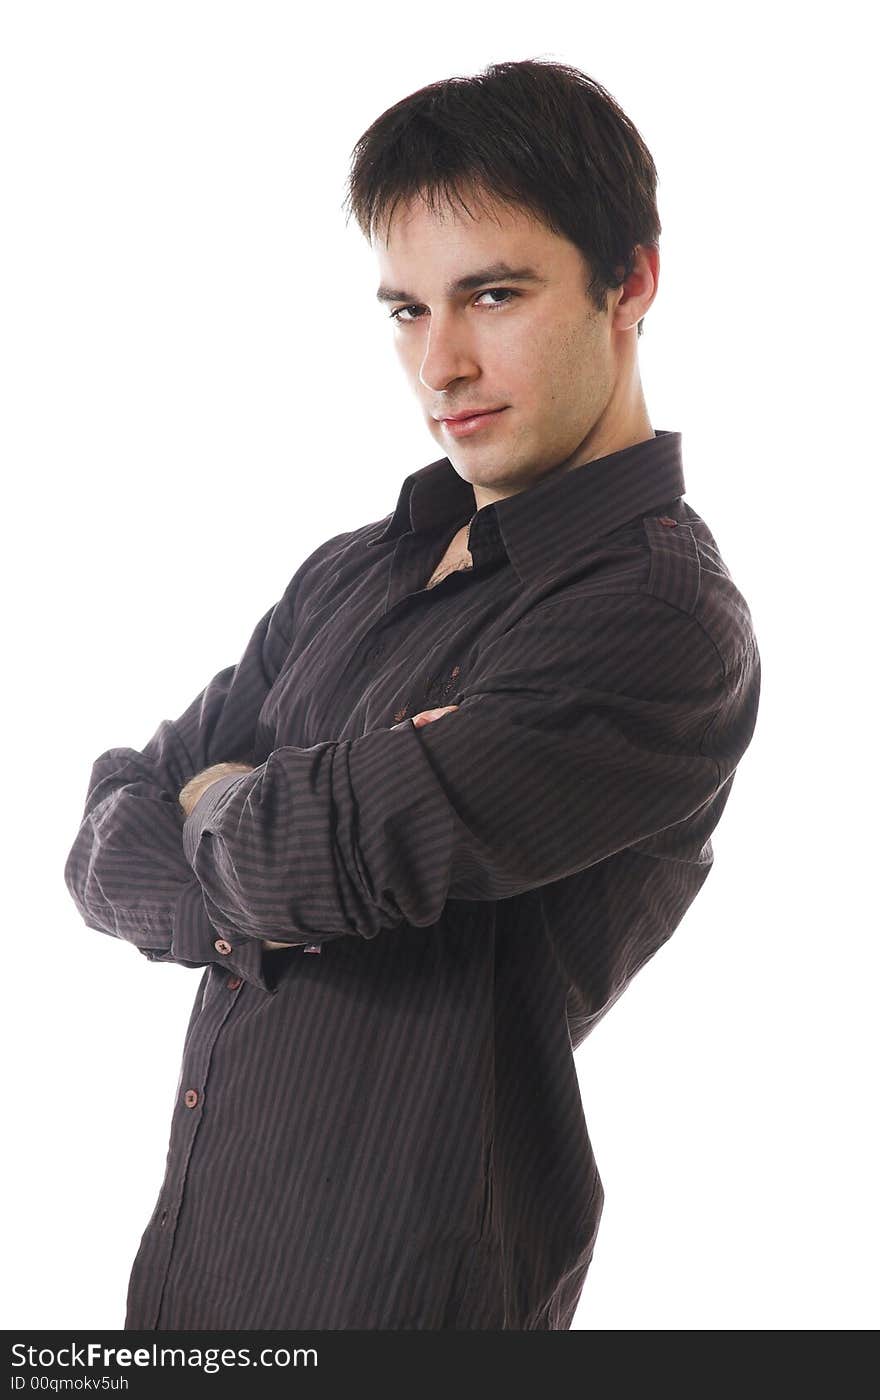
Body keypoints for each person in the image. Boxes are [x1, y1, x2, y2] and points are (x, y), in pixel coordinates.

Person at [64, 57, 761, 1331]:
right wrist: (259, 828)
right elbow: (109, 825)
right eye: (404, 309)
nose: (440, 364)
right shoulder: (358, 567)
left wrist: (228, 803)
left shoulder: (655, 619)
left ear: (631, 282)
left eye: (493, 294)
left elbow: (299, 849)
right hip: (189, 1284)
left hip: (406, 1302)